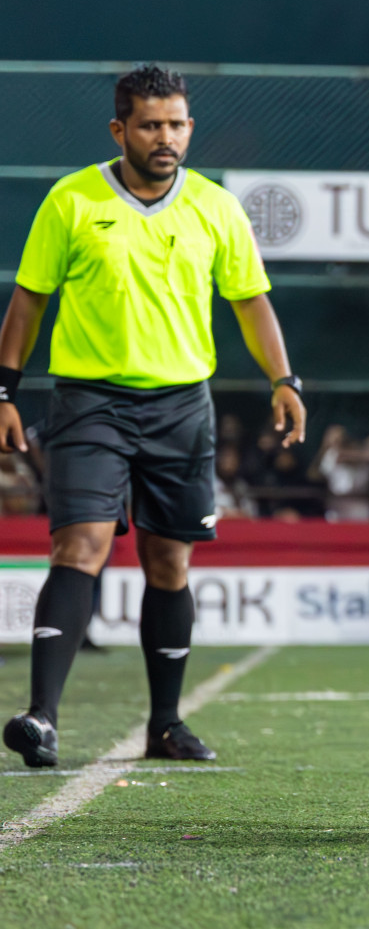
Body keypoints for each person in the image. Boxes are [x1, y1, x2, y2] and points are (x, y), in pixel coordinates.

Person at [0, 65, 306, 768]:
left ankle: (165, 725)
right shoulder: (71, 199)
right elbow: (27, 301)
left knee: (168, 561)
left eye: (176, 124)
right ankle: (42, 717)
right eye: (150, 125)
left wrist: (283, 379)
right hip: (89, 401)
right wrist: (4, 392)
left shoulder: (215, 206)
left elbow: (250, 300)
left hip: (180, 408)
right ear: (120, 130)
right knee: (79, 546)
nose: (165, 138)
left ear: (189, 127)